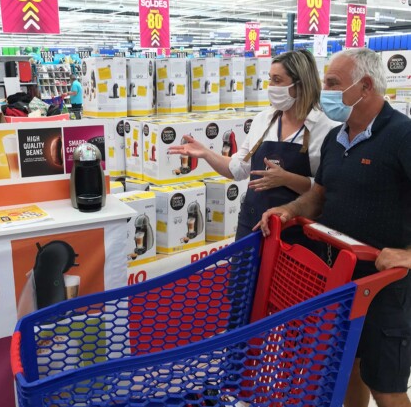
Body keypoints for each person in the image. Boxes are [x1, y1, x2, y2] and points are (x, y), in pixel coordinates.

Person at [257, 48, 411, 407]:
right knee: (346, 368)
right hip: (337, 276)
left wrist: (409, 254)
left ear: (365, 86)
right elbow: (319, 196)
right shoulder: (335, 139)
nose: (323, 91)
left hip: (385, 284)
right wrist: (288, 210)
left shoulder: (402, 136)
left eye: (331, 83)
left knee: (385, 386)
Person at [168, 49, 337, 241]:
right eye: (270, 79)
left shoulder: (326, 127)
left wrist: (287, 179)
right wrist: (206, 153)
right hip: (252, 225)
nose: (270, 87)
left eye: (277, 80)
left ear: (300, 85)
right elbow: (237, 169)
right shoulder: (263, 120)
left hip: (294, 231)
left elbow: (324, 192)